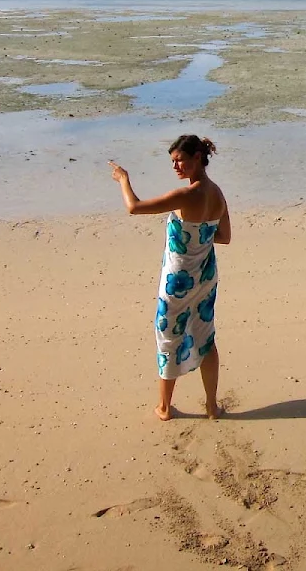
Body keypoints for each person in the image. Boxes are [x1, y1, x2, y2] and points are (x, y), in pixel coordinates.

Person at [108, 134, 232, 421]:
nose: (176, 166)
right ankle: (212, 407)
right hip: (205, 276)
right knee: (206, 338)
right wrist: (198, 238)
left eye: (180, 160)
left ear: (197, 158)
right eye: (173, 162)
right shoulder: (217, 193)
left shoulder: (186, 195)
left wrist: (123, 179)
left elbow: (134, 207)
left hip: (178, 281)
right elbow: (224, 237)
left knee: (169, 339)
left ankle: (165, 408)